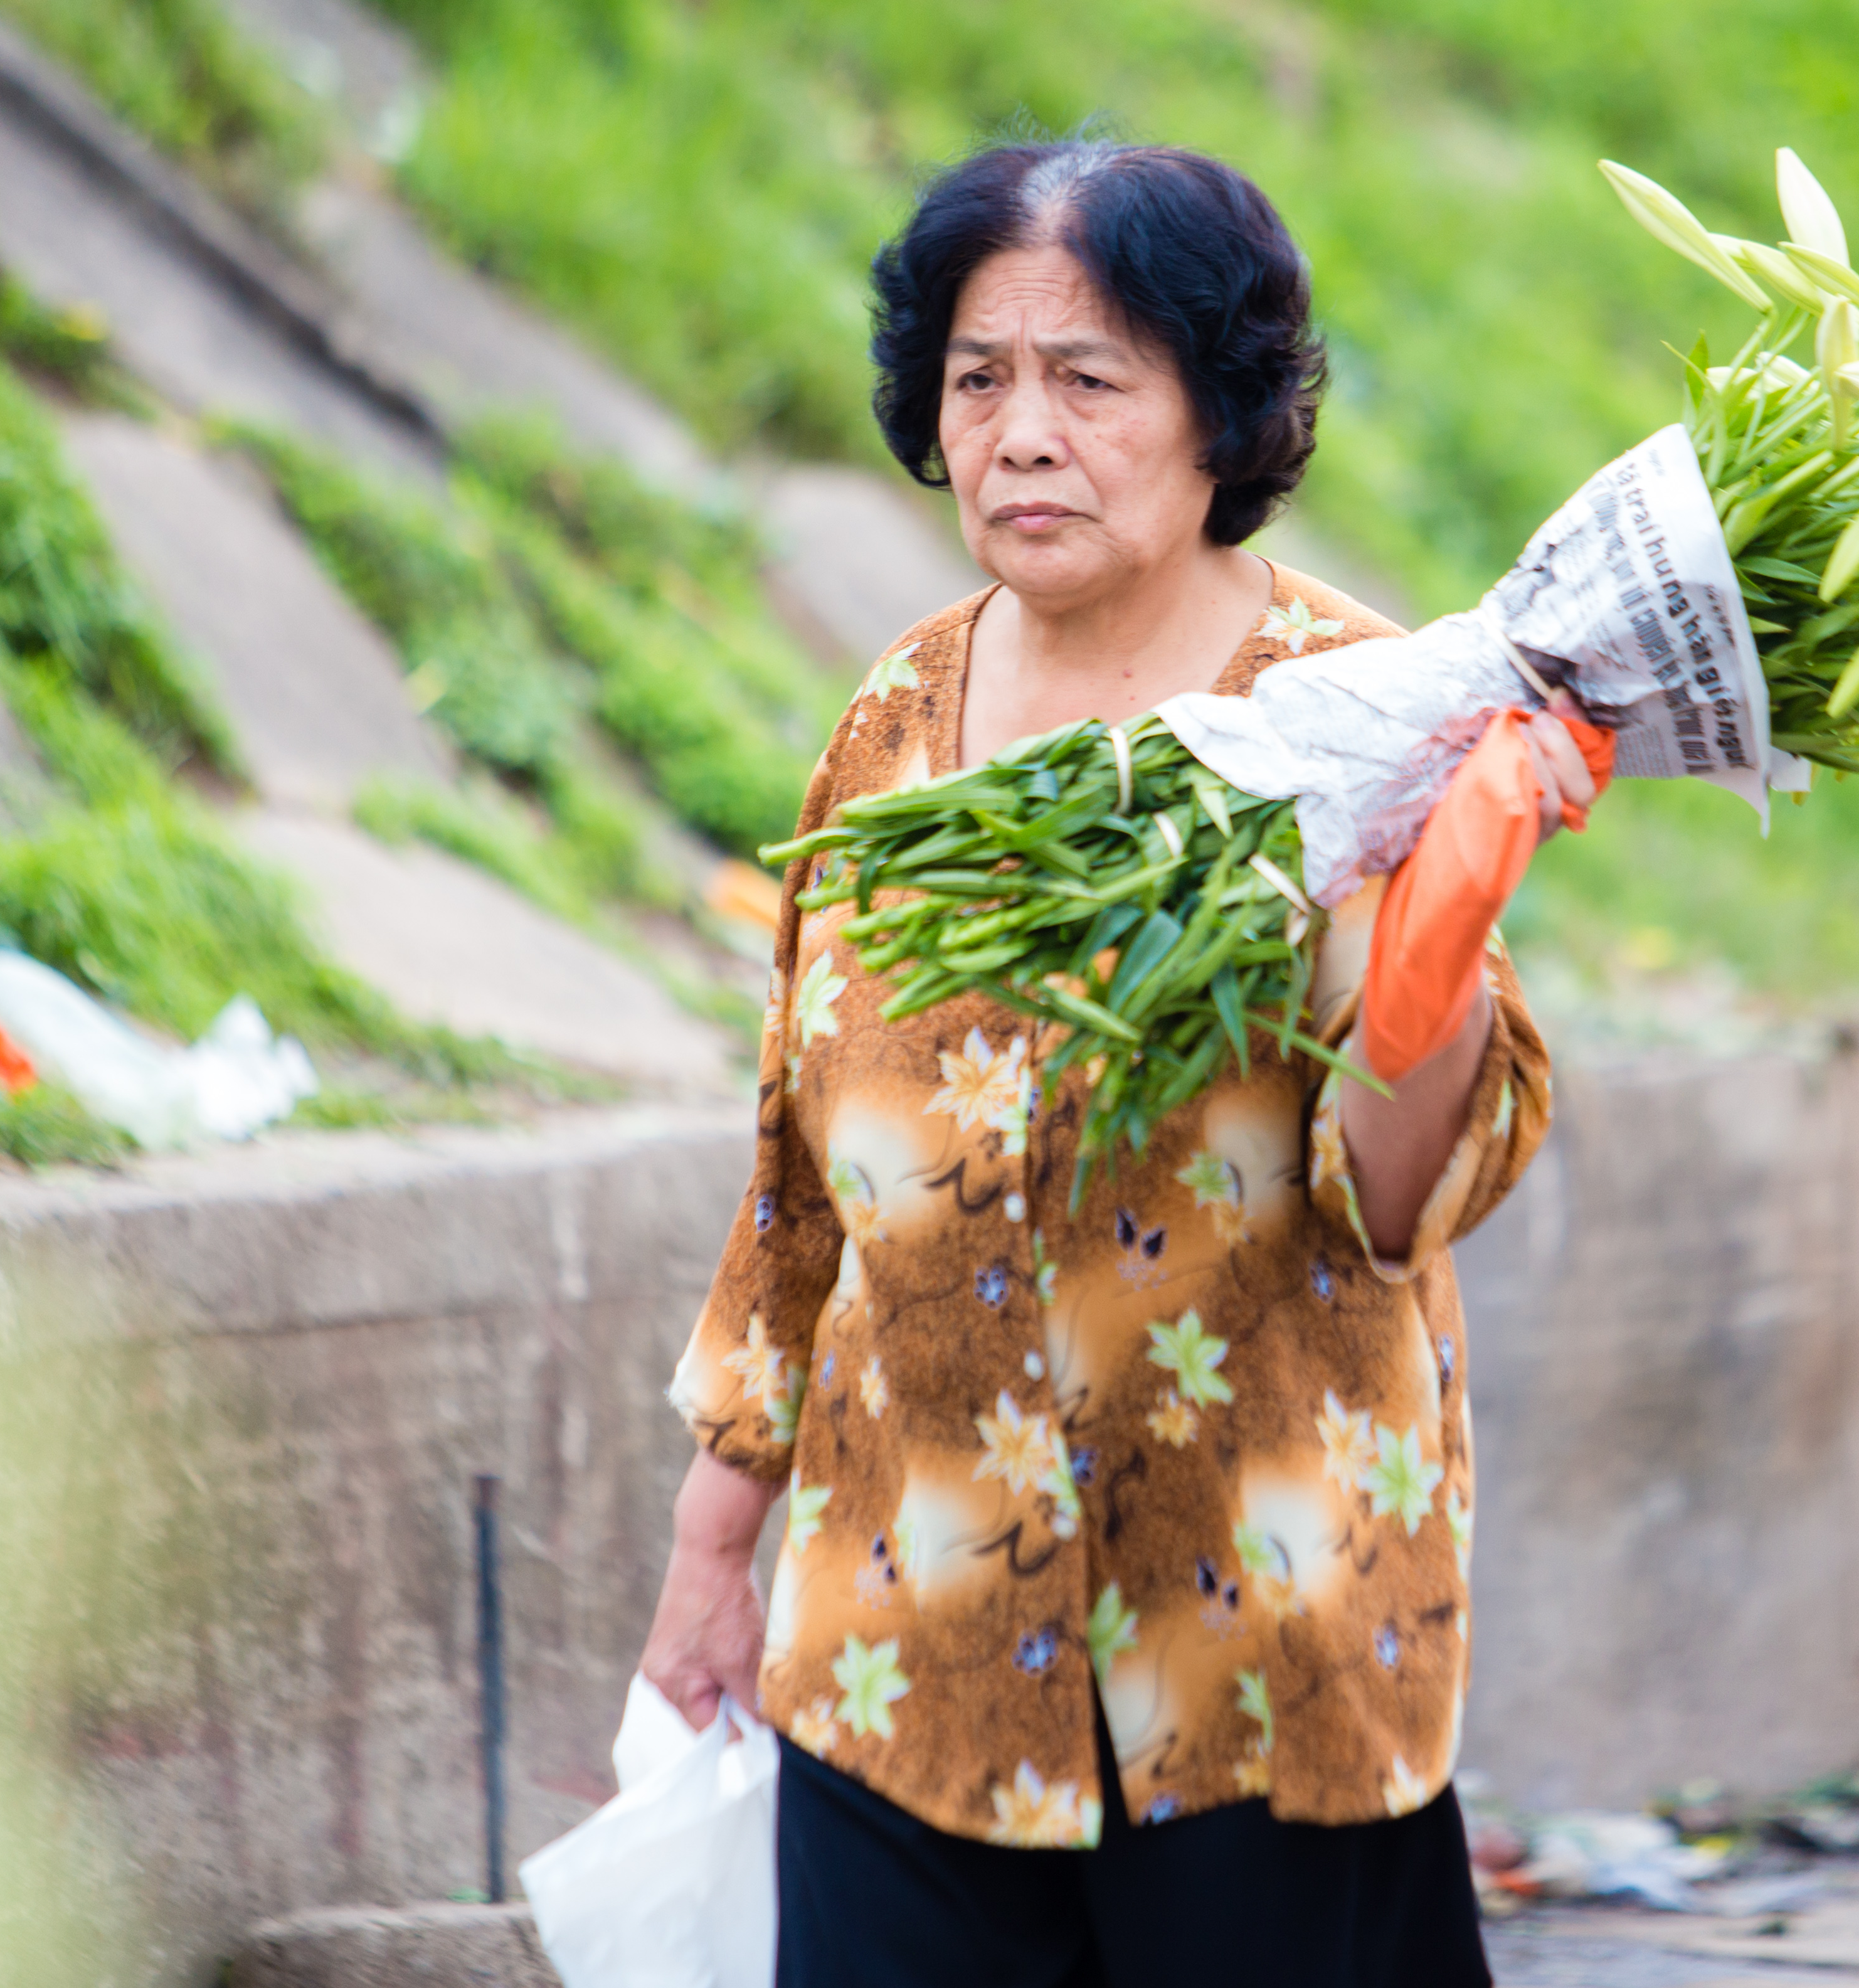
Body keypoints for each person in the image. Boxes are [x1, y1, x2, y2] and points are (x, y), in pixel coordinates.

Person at [640, 136, 1597, 1988]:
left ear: (1219, 415)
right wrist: (711, 1545)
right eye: (979, 377)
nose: (1019, 433)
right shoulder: (896, 720)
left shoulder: (1357, 716)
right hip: (897, 1635)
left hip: (1252, 1648)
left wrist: (1446, 926)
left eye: (1089, 380)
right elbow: (795, 1159)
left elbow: (1397, 1198)